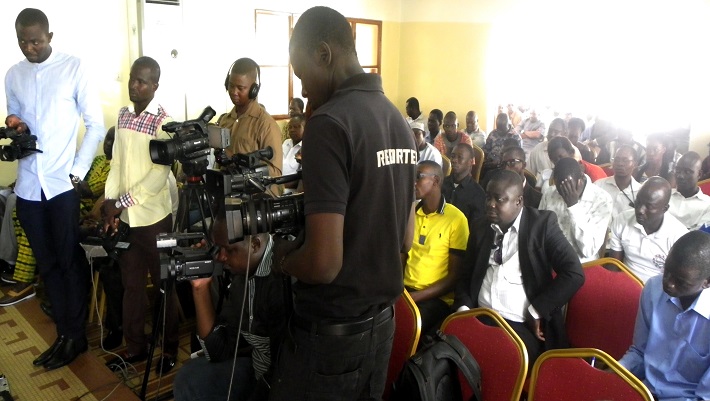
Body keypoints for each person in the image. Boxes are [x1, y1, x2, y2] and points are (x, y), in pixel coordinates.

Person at [270, 6, 416, 400]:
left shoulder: (329, 123)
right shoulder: (397, 121)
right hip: (382, 326)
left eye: (302, 75)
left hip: (331, 340)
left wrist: (281, 259)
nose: (303, 90)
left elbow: (323, 263)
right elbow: (405, 239)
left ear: (324, 54)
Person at [6, 8, 105, 370]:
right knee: (47, 267)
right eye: (22, 41)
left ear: (50, 36)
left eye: (35, 41)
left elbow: (96, 125)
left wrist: (77, 172)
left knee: (68, 262)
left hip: (62, 186)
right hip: (29, 188)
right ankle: (63, 334)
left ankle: (75, 337)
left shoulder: (73, 68)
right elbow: (14, 118)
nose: (29, 47)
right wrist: (15, 125)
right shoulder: (13, 74)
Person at [454, 169, 584, 365]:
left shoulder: (542, 225)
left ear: (518, 201)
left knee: (492, 363)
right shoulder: (481, 226)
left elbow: (574, 273)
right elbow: (465, 275)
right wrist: (464, 311)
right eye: (488, 197)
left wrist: (537, 309)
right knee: (442, 354)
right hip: (478, 315)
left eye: (499, 199)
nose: (490, 204)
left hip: (520, 325)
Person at [101, 56, 179, 375]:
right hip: (128, 221)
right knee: (131, 286)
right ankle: (136, 347)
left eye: (142, 82)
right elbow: (117, 164)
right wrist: (110, 202)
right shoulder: (123, 115)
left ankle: (170, 349)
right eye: (132, 79)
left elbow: (158, 177)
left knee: (164, 286)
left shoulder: (164, 123)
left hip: (155, 220)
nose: (134, 85)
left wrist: (121, 203)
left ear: (155, 86)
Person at [174, 221, 286, 401]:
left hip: (284, 382)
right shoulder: (242, 277)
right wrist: (200, 287)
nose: (221, 257)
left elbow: (287, 368)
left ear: (255, 245)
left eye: (228, 250)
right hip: (257, 368)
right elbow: (218, 351)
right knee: (189, 379)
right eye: (218, 248)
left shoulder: (283, 278)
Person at [619, 230, 710, 401]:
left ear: (707, 282)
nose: (668, 283)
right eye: (667, 271)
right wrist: (614, 374)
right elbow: (639, 351)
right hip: (644, 389)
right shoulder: (653, 289)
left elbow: (705, 396)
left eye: (681, 281)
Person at [405, 161, 468, 335]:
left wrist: (413, 298)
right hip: (405, 291)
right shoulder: (411, 212)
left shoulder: (456, 219)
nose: (413, 182)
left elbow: (454, 277)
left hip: (435, 298)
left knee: (407, 326)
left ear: (436, 181)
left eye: (418, 177)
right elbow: (402, 256)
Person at [608, 177, 688, 283]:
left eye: (649, 206)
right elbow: (614, 264)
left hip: (658, 287)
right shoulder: (622, 220)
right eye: (638, 202)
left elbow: (673, 280)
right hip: (625, 283)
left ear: (664, 209)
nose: (640, 210)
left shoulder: (679, 236)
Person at [218, 58, 283, 186]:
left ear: (254, 90)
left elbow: (275, 174)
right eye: (231, 86)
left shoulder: (266, 124)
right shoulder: (225, 120)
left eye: (240, 88)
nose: (234, 92)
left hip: (254, 197)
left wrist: (240, 163)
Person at [539, 158, 613, 263]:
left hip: (582, 264)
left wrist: (573, 206)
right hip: (550, 259)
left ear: (581, 178)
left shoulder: (602, 199)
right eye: (560, 188)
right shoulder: (550, 193)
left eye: (569, 186)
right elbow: (540, 230)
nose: (564, 192)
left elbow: (588, 250)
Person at [442, 143, 485, 223]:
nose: (454, 160)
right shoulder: (441, 184)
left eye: (460, 157)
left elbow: (476, 225)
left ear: (470, 162)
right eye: (453, 156)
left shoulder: (477, 194)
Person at [594, 145, 643, 217]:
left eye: (625, 160)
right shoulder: (598, 185)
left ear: (635, 164)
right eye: (616, 160)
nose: (620, 164)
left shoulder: (640, 192)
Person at [668, 151, 710, 230]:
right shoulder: (665, 195)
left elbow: (699, 235)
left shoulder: (707, 205)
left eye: (687, 172)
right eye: (678, 170)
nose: (680, 176)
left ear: (699, 174)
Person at [481, 112, 522, 180]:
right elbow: (485, 150)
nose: (499, 131)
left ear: (508, 125)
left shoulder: (516, 138)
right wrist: (485, 161)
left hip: (506, 168)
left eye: (502, 129)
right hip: (490, 166)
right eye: (498, 128)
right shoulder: (493, 134)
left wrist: (499, 163)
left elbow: (517, 160)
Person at [281, 114, 305, 194]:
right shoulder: (286, 143)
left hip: (291, 191)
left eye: (296, 127)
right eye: (290, 127)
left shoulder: (305, 148)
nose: (292, 130)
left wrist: (280, 185)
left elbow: (300, 179)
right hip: (276, 183)